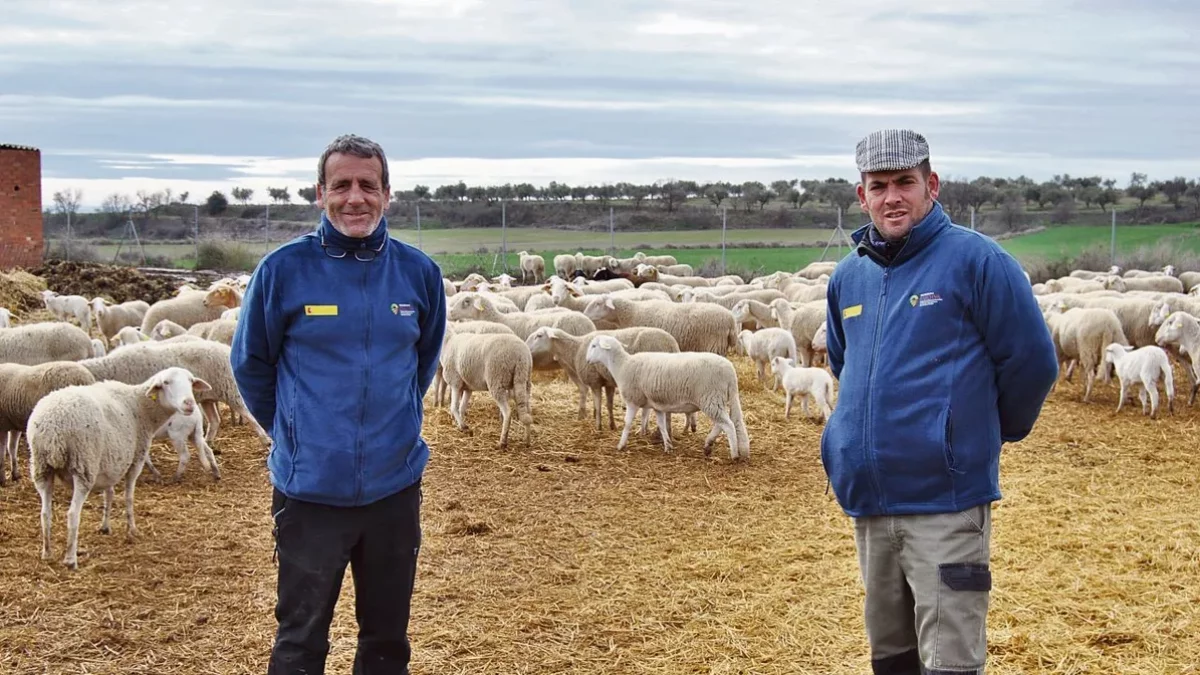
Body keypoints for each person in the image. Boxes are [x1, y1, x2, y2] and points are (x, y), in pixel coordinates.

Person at [820, 129, 1059, 675]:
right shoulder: (848, 276)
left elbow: (1032, 363)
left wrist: (973, 437)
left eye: (905, 182)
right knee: (892, 654)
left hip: (945, 502)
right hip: (871, 504)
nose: (892, 198)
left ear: (932, 184)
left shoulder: (977, 262)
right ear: (862, 196)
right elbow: (845, 365)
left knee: (949, 659)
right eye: (878, 186)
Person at [230, 133, 447, 675]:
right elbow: (251, 364)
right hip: (310, 490)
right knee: (301, 639)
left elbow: (420, 366)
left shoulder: (418, 274)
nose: (355, 197)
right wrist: (295, 435)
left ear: (387, 194)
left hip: (393, 488)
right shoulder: (283, 270)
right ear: (319, 193)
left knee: (386, 639)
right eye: (342, 185)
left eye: (367, 185)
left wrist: (393, 428)